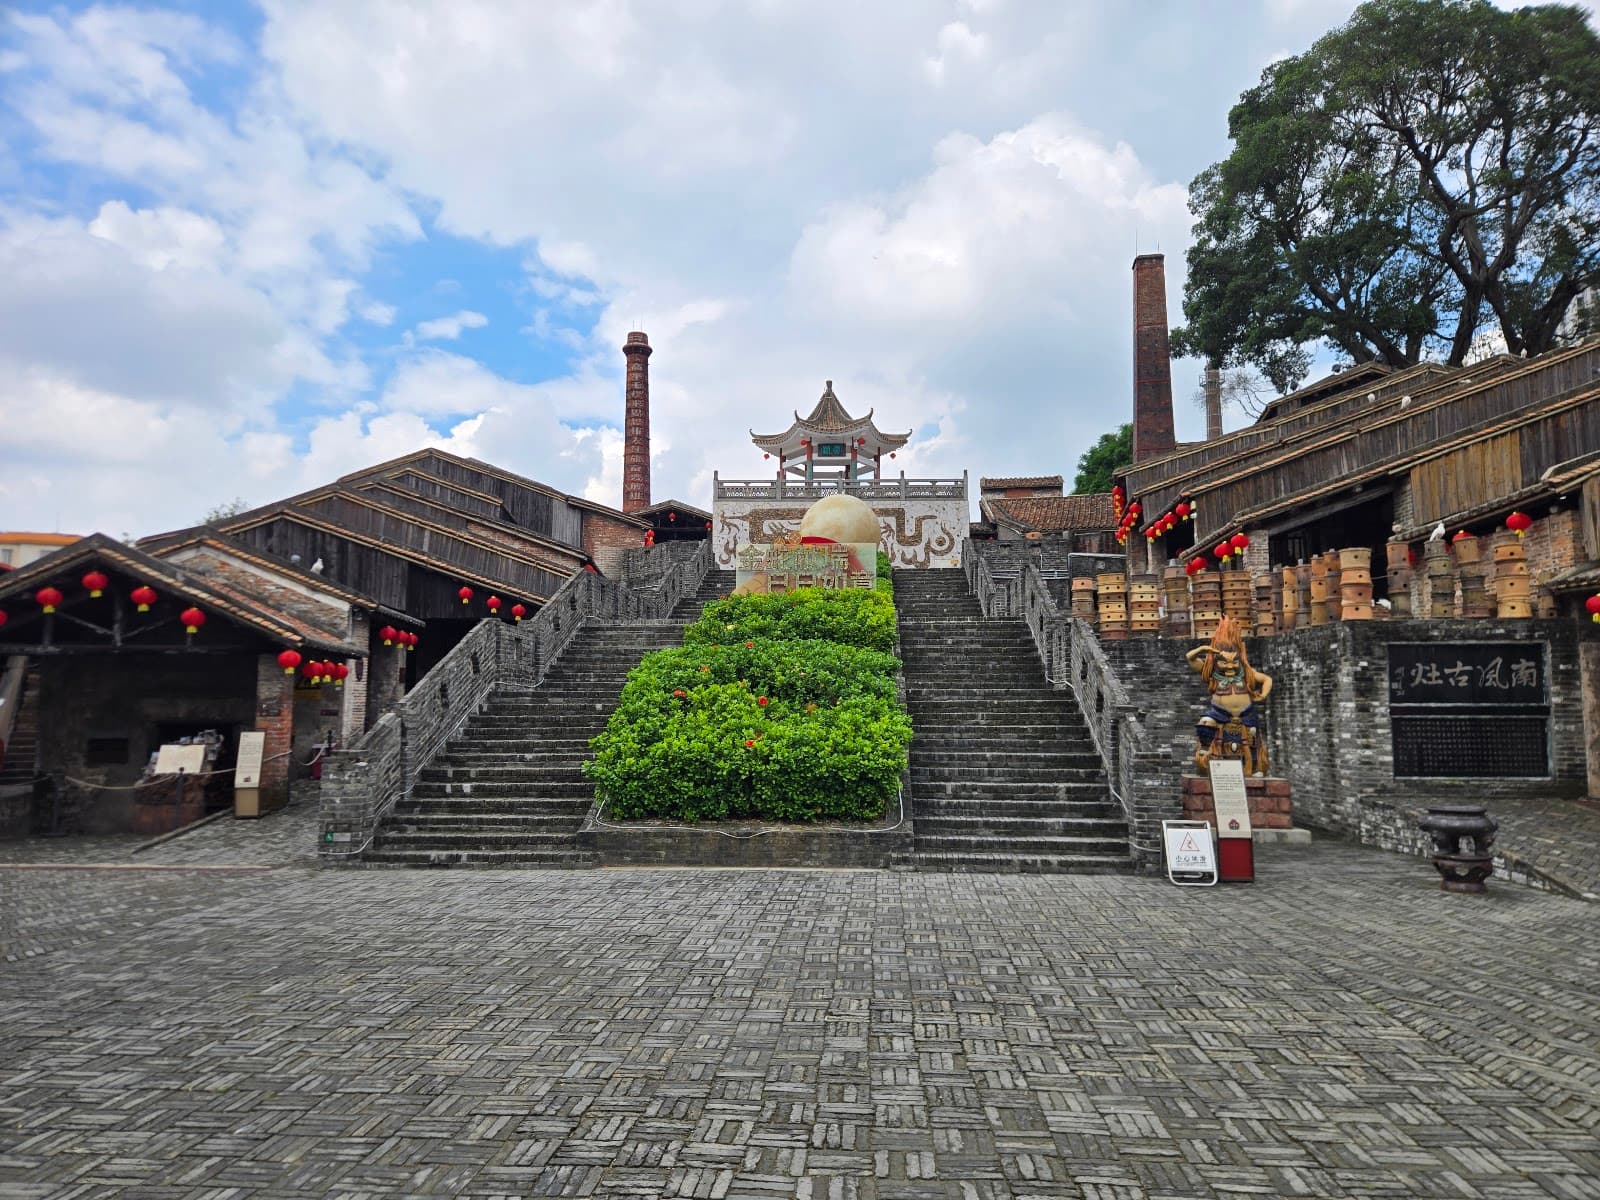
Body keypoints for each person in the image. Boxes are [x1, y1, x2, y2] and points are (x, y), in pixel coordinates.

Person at [1185, 616, 1273, 775]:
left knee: (1252, 737)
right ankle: (1206, 752)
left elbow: (1267, 679)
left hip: (1246, 712)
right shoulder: (1211, 673)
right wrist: (1202, 649)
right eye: (1224, 662)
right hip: (1219, 713)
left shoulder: (1246, 674)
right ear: (1216, 662)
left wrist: (1264, 694)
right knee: (1205, 723)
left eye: (1234, 662)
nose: (1230, 666)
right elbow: (1190, 658)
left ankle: (1254, 767)